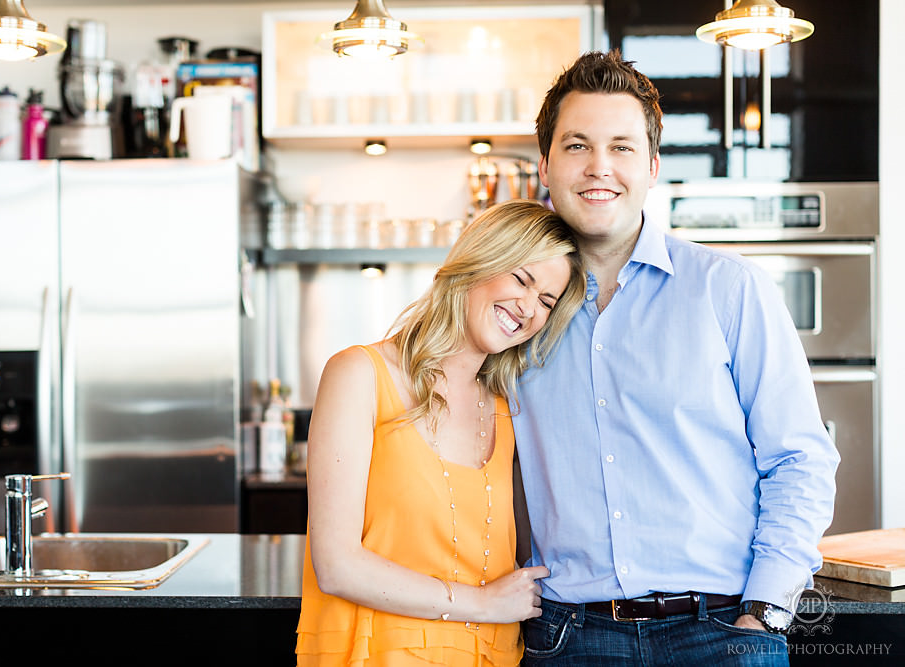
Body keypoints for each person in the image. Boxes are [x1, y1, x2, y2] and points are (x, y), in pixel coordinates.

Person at [512, 51, 840, 665]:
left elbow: (799, 458)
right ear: (546, 166)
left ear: (653, 166)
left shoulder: (729, 289)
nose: (599, 167)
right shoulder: (514, 309)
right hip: (566, 638)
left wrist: (765, 612)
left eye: (623, 147)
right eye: (577, 145)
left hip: (721, 631)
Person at [296, 199, 587, 666]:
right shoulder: (360, 374)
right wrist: (484, 604)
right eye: (521, 279)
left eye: (547, 301)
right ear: (479, 261)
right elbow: (336, 565)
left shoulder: (507, 408)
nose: (529, 308)